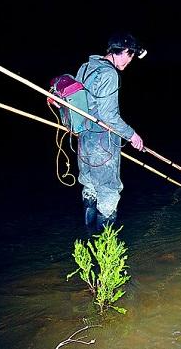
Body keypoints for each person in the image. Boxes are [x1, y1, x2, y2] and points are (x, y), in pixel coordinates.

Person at [75, 32, 146, 231]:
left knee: (89, 187)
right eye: (130, 56)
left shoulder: (86, 67)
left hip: (84, 139)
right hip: (102, 144)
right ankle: (106, 247)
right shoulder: (109, 74)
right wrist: (132, 135)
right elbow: (109, 115)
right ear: (124, 52)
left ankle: (89, 238)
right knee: (108, 191)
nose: (130, 61)